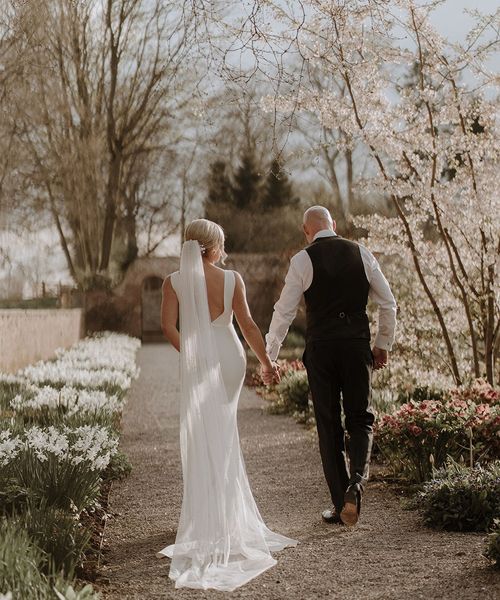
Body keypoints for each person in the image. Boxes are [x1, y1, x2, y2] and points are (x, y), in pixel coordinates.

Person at [158, 218, 297, 591]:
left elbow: (168, 326)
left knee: (203, 434)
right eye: (222, 243)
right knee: (225, 432)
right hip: (231, 357)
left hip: (199, 359)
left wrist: (191, 354)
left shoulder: (173, 281)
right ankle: (224, 519)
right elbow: (248, 325)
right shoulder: (232, 278)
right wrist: (267, 363)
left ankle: (207, 519)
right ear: (214, 247)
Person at [266, 206, 397, 526]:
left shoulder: (301, 260)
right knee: (361, 417)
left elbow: (283, 312)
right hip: (355, 347)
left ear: (305, 231)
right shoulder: (362, 253)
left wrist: (270, 355)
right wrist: (382, 344)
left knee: (328, 425)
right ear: (333, 225)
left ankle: (341, 504)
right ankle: (356, 484)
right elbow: (388, 303)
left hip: (321, 349)